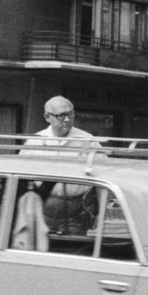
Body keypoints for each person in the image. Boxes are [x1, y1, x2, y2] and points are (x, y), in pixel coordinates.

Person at [22, 97, 99, 238]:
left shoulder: (88, 140)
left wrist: (98, 212)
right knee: (38, 246)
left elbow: (103, 175)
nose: (67, 119)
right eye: (61, 115)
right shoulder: (36, 141)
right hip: (41, 210)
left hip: (75, 213)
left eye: (70, 114)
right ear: (47, 117)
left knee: (73, 248)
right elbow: (20, 176)